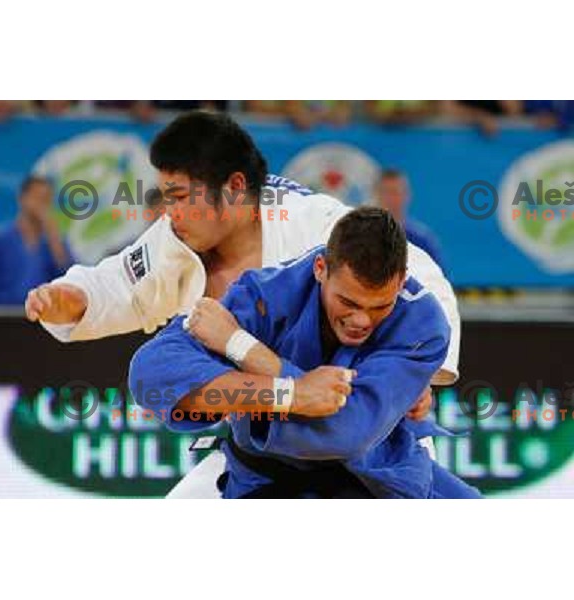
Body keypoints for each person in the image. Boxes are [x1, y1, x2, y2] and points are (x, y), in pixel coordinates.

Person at [24, 111, 460, 496]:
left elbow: (420, 280)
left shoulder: (315, 223)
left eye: (180, 196)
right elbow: (120, 284)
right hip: (266, 451)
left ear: (233, 188)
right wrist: (72, 297)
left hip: (375, 451)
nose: (170, 211)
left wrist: (422, 373)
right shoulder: (176, 240)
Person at [129, 207, 481, 498]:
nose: (361, 320)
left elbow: (346, 431)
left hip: (382, 477)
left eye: (379, 307)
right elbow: (151, 376)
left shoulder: (423, 323)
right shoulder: (269, 293)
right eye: (348, 302)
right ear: (320, 269)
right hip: (264, 479)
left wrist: (243, 348)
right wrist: (289, 394)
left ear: (401, 282)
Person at [0, 176, 74, 305]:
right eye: (37, 197)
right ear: (22, 198)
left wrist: (54, 239)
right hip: (2, 314)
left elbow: (70, 283)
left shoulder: (55, 243)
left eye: (47, 199)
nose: (41, 204)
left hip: (40, 314)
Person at [374, 169, 446, 274]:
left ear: (407, 195)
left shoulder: (422, 240)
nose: (391, 199)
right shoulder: (364, 237)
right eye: (386, 192)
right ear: (377, 194)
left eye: (395, 192)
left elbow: (438, 278)